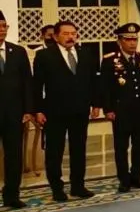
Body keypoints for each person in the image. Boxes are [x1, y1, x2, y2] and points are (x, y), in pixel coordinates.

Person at [33, 20, 101, 202]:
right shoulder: (44, 56)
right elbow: (37, 85)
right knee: (55, 151)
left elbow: (93, 80)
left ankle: (78, 185)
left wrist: (96, 104)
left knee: (79, 149)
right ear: (56, 37)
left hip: (80, 110)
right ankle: (57, 188)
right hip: (54, 111)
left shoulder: (85, 54)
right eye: (66, 33)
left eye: (73, 33)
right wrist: (38, 110)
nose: (70, 37)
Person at [96, 23, 140, 192]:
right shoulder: (110, 60)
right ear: (120, 41)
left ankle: (137, 176)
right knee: (121, 146)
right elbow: (105, 87)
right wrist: (108, 109)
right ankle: (124, 179)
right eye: (128, 39)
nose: (132, 43)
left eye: (135, 39)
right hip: (121, 110)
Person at [0, 11, 34, 209]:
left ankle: (12, 195)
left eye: (3, 26)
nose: (1, 30)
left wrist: (28, 109)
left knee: (14, 156)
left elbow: (27, 82)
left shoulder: (18, 52)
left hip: (14, 114)